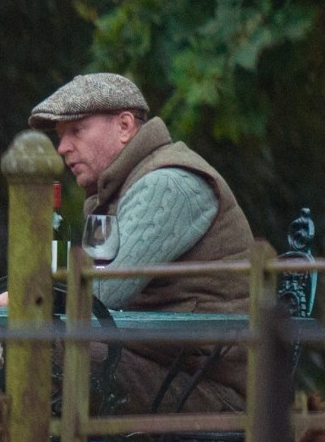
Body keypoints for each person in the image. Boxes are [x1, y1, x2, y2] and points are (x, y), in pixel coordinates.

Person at [25, 72, 255, 415]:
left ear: (124, 126)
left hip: (212, 390)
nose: (62, 148)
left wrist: (25, 299)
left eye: (76, 131)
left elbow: (99, 297)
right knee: (26, 345)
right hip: (169, 366)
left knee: (39, 347)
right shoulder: (112, 194)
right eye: (60, 137)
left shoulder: (166, 184)